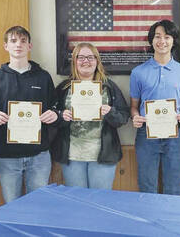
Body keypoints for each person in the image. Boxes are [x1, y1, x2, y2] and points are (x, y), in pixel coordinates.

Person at [0, 26, 59, 202]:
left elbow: (55, 107)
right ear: (6, 46)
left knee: (38, 205)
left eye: (23, 41)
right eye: (13, 41)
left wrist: (55, 115)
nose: (18, 44)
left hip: (39, 155)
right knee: (11, 206)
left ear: (30, 46)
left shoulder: (43, 77)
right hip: (7, 156)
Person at [52, 43, 130, 189]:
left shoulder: (109, 87)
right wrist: (62, 116)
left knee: (99, 201)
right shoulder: (64, 88)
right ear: (74, 61)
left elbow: (123, 117)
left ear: (97, 61)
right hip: (72, 155)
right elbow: (52, 117)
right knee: (77, 201)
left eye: (90, 57)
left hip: (103, 155)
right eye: (80, 57)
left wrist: (110, 112)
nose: (85, 61)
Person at [130, 20, 180, 195]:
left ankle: (171, 223)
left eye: (167, 37)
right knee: (147, 187)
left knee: (173, 187)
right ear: (151, 41)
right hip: (146, 135)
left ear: (173, 41)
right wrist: (135, 116)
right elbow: (133, 106)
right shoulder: (138, 72)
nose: (162, 41)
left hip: (174, 135)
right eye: (157, 36)